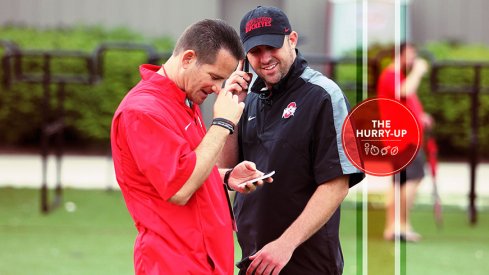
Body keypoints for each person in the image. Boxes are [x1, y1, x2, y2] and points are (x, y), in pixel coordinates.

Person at [110, 19, 272, 274]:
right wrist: (222, 123)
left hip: (203, 261)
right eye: (214, 76)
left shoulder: (183, 98)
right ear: (188, 58)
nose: (217, 87)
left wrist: (225, 177)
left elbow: (184, 167)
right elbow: (180, 187)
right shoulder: (142, 111)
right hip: (174, 263)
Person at [219, 6, 364, 274]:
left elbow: (337, 184)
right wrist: (232, 113)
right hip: (254, 261)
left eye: (271, 47)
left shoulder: (323, 95)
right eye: (255, 51)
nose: (264, 58)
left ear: (292, 40)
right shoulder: (248, 98)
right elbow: (227, 172)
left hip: (307, 263)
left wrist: (285, 244)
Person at [377, 42, 433, 242]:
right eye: (410, 54)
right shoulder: (392, 74)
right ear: (398, 55)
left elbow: (404, 101)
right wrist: (418, 71)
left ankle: (393, 227)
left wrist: (421, 115)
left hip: (401, 136)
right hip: (403, 139)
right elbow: (405, 92)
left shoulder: (397, 75)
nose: (413, 58)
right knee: (413, 179)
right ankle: (402, 226)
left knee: (398, 181)